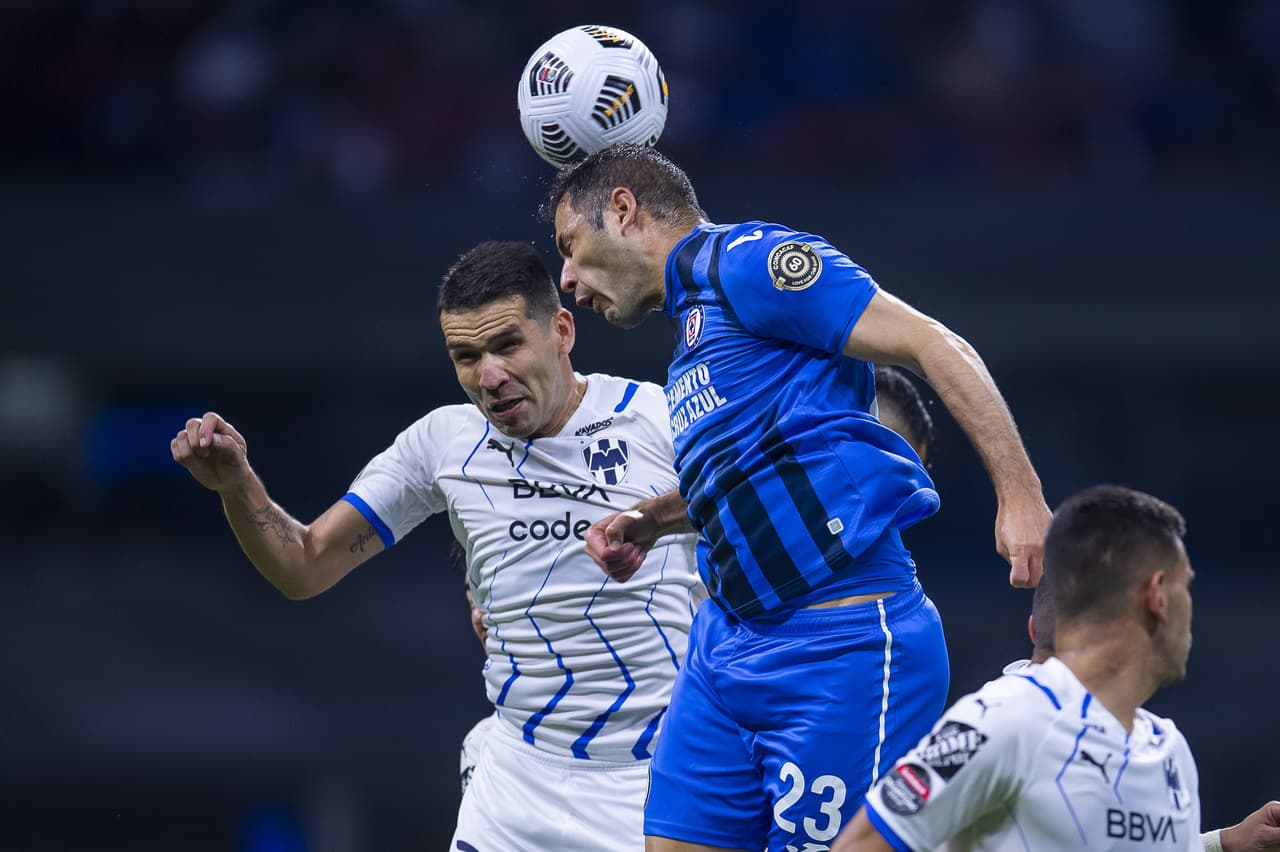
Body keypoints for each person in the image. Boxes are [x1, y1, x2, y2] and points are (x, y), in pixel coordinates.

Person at [543, 142, 1053, 852]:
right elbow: (748, 472)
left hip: (839, 642)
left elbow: (934, 344)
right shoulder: (695, 331)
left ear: (624, 211)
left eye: (570, 247)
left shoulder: (749, 262)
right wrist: (651, 519)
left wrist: (1020, 494)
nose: (566, 279)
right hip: (723, 648)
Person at [170, 241, 701, 851]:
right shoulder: (442, 444)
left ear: (561, 330)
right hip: (517, 785)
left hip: (654, 779)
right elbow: (304, 566)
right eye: (466, 356)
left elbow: (759, 502)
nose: (489, 376)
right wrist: (239, 488)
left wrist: (658, 516)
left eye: (506, 345)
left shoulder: (659, 418)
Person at [833, 485, 1280, 852]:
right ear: (1157, 595)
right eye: (1187, 586)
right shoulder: (1008, 718)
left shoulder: (1170, 751)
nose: (1191, 608)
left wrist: (1223, 844)